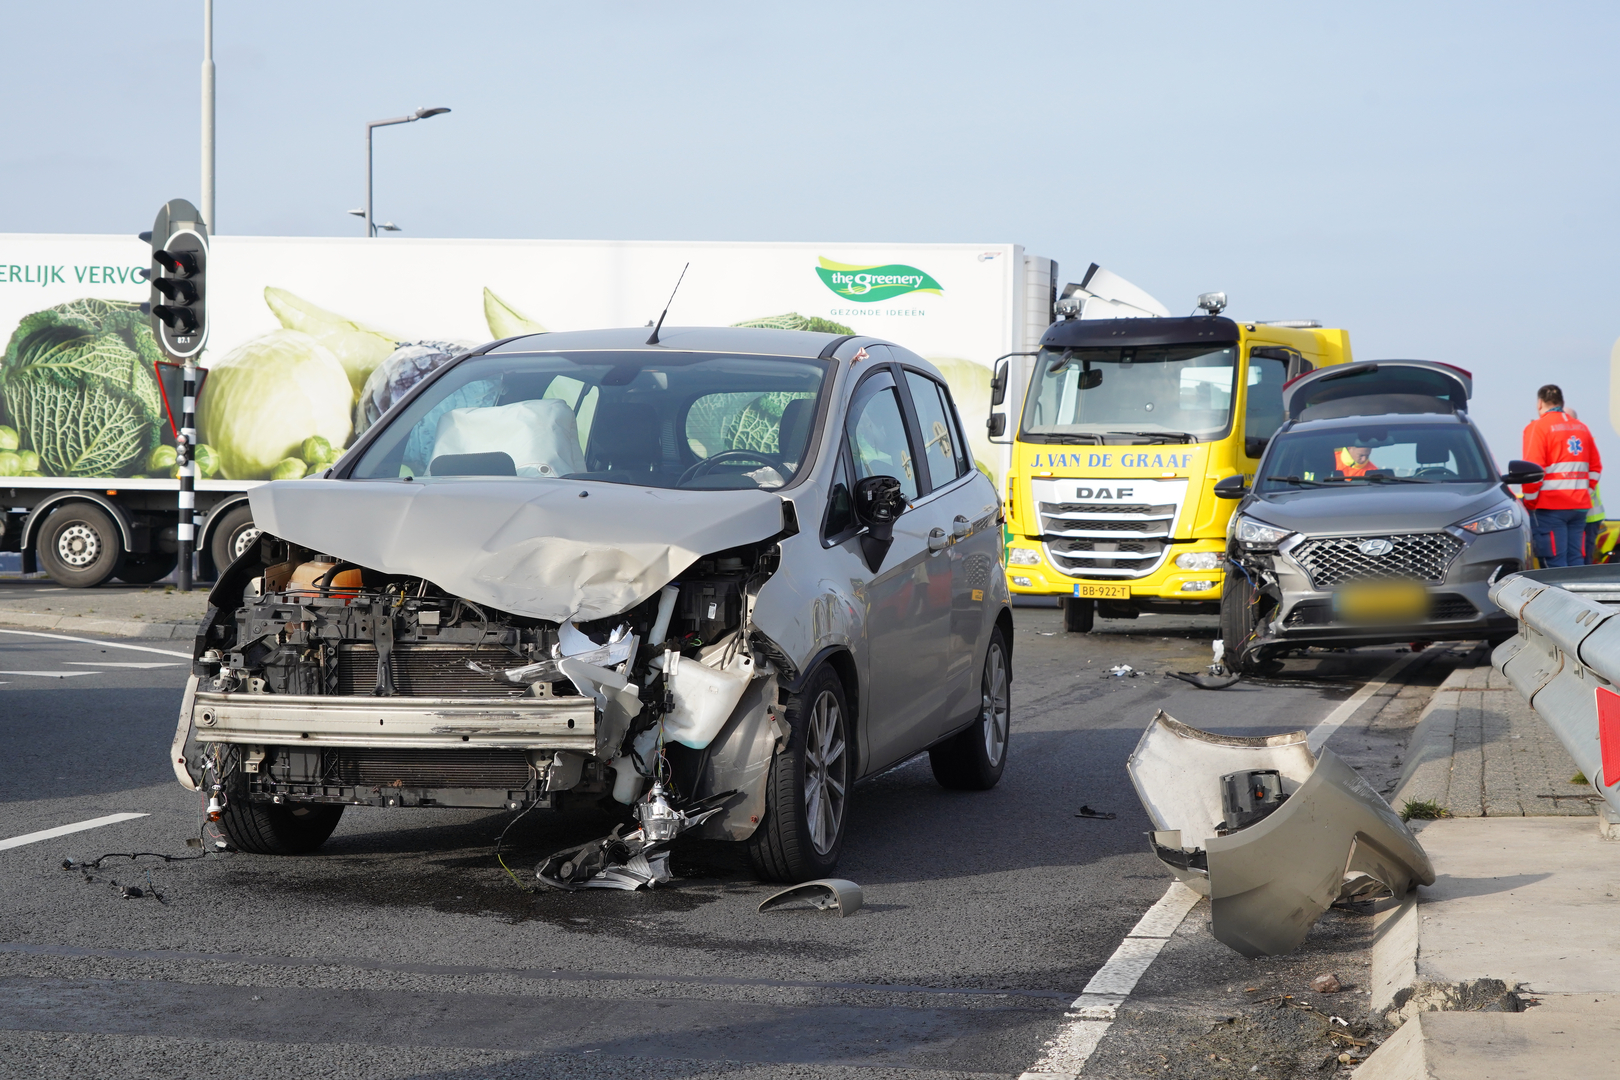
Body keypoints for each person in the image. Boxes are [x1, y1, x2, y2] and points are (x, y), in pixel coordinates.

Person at [1522, 385, 1602, 567]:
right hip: (1579, 507)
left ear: (1539, 403)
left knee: (1554, 564)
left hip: (1550, 506)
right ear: (1562, 402)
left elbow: (1532, 471)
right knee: (1576, 561)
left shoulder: (1537, 427)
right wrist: (1584, 491)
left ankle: (1558, 596)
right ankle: (1577, 595)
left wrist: (1530, 502)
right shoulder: (1582, 428)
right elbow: (1596, 467)